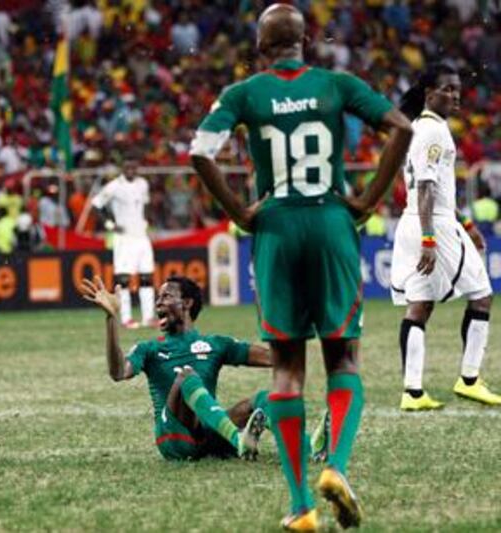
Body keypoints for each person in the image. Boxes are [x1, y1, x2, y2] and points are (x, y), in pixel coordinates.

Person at [189, 5, 413, 530]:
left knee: (288, 367)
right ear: (305, 42)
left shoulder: (244, 93)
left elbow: (199, 152)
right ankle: (335, 467)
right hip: (332, 220)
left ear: (262, 49)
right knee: (345, 357)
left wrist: (241, 212)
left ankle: (299, 506)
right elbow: (400, 127)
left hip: (277, 225)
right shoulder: (337, 84)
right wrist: (366, 201)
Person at [391, 64, 501, 410]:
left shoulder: (419, 129)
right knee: (482, 295)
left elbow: (434, 189)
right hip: (432, 225)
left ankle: (412, 392)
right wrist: (429, 240)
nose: (455, 96)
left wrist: (466, 224)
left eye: (457, 90)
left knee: (419, 307)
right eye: (447, 89)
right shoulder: (433, 132)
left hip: (416, 221)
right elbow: (425, 187)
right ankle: (469, 379)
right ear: (429, 94)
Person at [81, 275, 272, 461]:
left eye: (166, 297)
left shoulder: (217, 344)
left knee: (265, 399)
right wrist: (111, 319)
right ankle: (237, 439)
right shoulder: (149, 349)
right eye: (158, 298)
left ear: (187, 303)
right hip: (174, 439)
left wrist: (275, 317)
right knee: (187, 376)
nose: (158, 303)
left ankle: (295, 447)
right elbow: (118, 372)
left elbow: (274, 358)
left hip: (207, 436)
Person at [91, 158, 156, 329]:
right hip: (124, 238)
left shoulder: (143, 184)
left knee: (146, 277)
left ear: (137, 168)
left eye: (133, 166)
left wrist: (146, 220)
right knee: (124, 279)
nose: (130, 170)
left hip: (141, 236)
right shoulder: (114, 186)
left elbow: (146, 204)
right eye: (127, 167)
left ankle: (148, 317)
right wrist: (110, 225)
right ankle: (126, 318)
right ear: (122, 168)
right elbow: (96, 205)